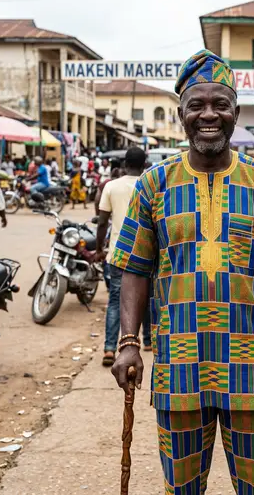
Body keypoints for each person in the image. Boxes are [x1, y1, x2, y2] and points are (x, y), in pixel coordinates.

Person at [110, 49, 254, 494]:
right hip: (180, 366)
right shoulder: (154, 184)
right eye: (196, 105)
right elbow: (135, 269)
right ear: (181, 113)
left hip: (253, 367)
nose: (209, 115)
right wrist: (127, 343)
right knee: (181, 488)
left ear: (236, 111)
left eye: (220, 104)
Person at [96, 147, 149, 366]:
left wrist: (100, 248)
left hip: (118, 253)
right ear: (144, 164)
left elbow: (101, 222)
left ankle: (110, 348)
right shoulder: (148, 184)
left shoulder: (111, 186)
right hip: (145, 253)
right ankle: (148, 340)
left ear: (125, 163)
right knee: (145, 297)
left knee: (117, 301)